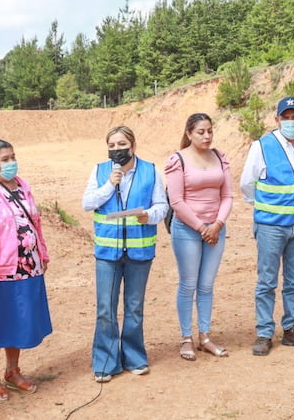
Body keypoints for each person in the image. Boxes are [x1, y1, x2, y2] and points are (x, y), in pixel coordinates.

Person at [0, 139, 52, 403]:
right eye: (5, 159)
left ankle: (13, 371)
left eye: (13, 157)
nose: (11, 162)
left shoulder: (22, 185)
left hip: (27, 268)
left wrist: (42, 253)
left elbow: (34, 221)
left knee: (19, 322)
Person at [82, 126, 168, 382]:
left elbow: (162, 206)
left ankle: (134, 357)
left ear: (133, 145)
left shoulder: (151, 170)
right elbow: (87, 203)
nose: (117, 149)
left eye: (122, 144)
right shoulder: (100, 171)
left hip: (140, 251)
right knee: (105, 308)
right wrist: (109, 185)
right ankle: (106, 362)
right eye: (113, 145)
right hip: (107, 253)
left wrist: (149, 215)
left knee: (134, 307)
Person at [240, 97, 294, 356]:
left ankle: (292, 328)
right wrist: (265, 207)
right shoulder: (261, 146)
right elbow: (246, 184)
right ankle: (264, 332)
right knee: (266, 281)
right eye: (285, 117)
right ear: (276, 120)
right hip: (271, 225)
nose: (290, 121)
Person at [165, 113, 233, 361]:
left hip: (215, 228)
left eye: (210, 131)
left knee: (206, 285)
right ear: (189, 133)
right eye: (201, 132)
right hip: (188, 230)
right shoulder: (177, 160)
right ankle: (186, 338)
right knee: (188, 284)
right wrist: (201, 228)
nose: (206, 136)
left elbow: (227, 196)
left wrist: (217, 224)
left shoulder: (220, 157)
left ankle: (204, 336)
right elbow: (176, 201)